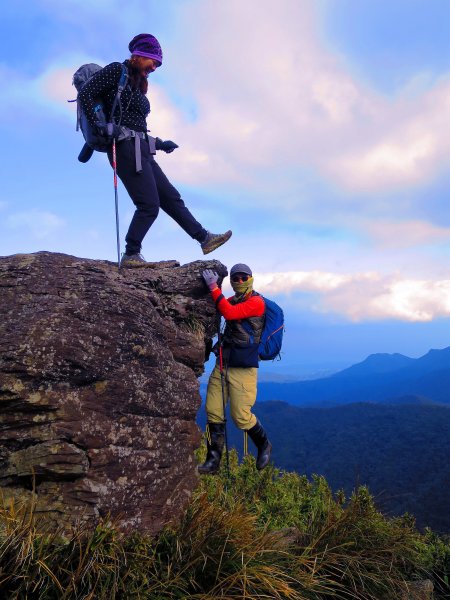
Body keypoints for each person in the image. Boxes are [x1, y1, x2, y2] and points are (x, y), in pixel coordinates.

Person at [78, 33, 232, 267]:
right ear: (139, 55)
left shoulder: (135, 84)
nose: (155, 67)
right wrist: (99, 125)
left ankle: (204, 239)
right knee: (148, 205)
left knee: (171, 197)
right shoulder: (115, 71)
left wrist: (160, 144)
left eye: (158, 64)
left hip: (142, 148)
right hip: (125, 149)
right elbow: (86, 93)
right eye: (153, 61)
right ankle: (131, 253)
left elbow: (136, 125)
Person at [198, 263, 272, 474]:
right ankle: (213, 461)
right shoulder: (232, 300)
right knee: (213, 410)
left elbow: (229, 314)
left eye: (243, 277)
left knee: (241, 415)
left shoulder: (257, 302)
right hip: (222, 363)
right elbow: (222, 307)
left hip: (243, 369)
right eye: (236, 278)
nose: (239, 281)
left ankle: (264, 444)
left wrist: (213, 288)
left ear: (251, 279)